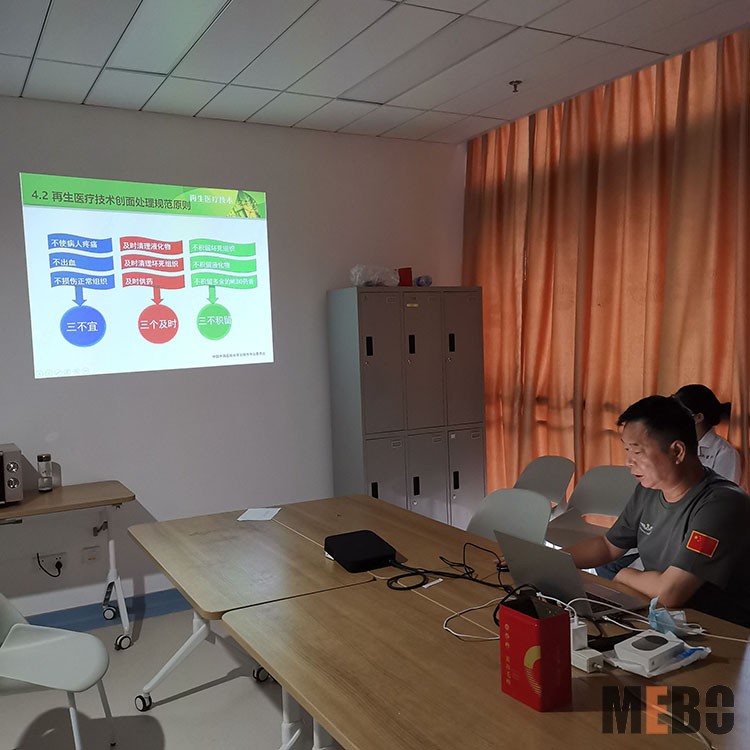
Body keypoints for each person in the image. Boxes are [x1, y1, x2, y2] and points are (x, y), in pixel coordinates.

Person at [567, 395, 750, 626]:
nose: (628, 462)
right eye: (627, 450)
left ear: (677, 451)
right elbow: (608, 546)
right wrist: (555, 562)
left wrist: (623, 574)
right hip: (666, 616)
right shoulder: (650, 490)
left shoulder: (722, 504)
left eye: (637, 452)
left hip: (720, 627)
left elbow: (670, 592)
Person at [673, 383, 741, 484]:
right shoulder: (674, 443)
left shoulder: (725, 453)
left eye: (679, 413)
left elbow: (725, 491)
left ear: (698, 417)